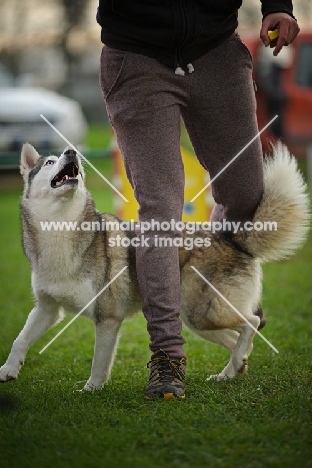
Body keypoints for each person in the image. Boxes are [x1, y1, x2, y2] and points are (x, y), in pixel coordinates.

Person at [96, 1, 299, 400]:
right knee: (159, 211)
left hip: (216, 51)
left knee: (245, 193)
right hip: (136, 57)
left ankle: (224, 285)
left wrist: (278, 5)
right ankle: (167, 355)